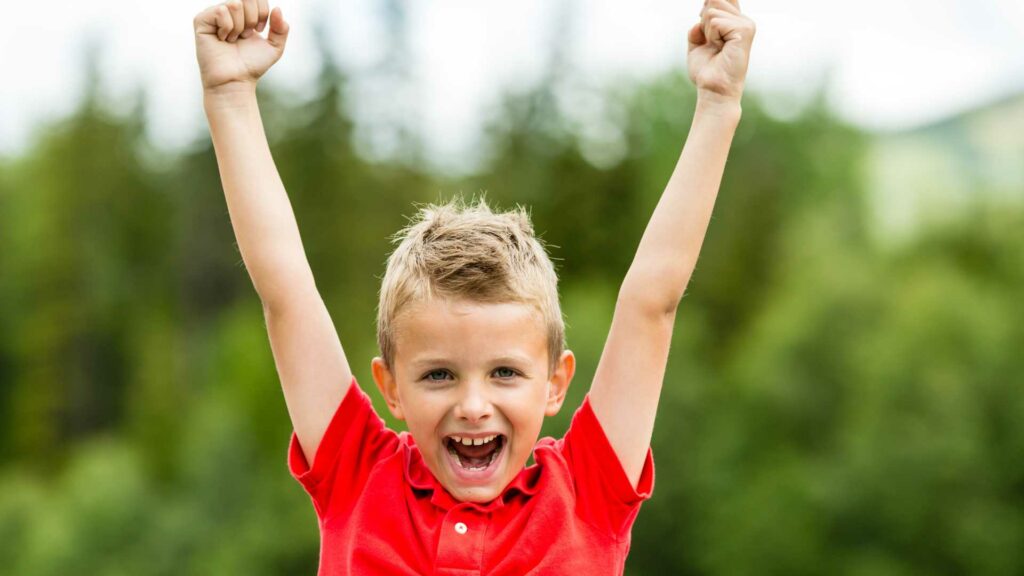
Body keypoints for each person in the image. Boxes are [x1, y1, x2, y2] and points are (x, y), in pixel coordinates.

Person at [192, 1, 754, 573]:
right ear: (390, 387)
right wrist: (230, 94)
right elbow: (286, 290)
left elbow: (651, 303)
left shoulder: (589, 489)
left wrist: (717, 105)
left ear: (556, 382)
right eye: (439, 374)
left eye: (505, 372)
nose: (473, 406)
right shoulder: (358, 476)